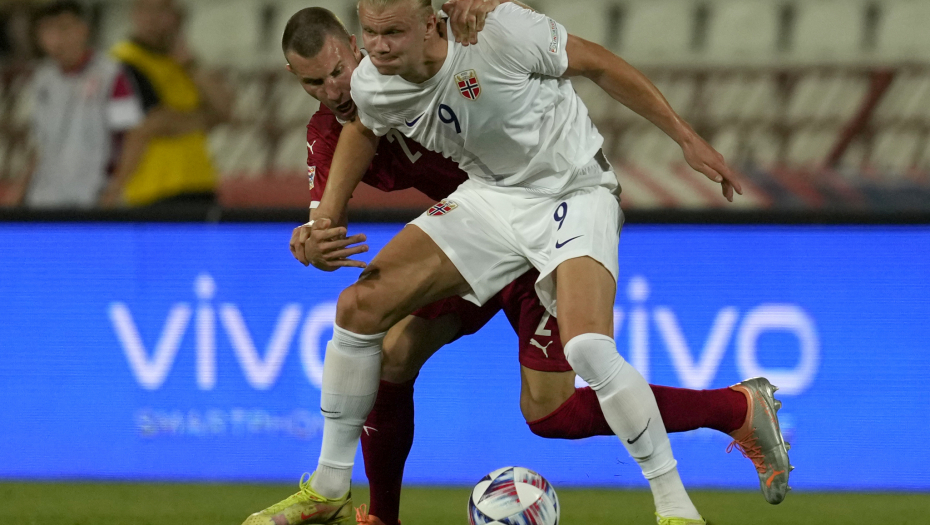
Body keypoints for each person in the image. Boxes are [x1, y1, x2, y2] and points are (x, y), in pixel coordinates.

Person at [243, 4, 791, 525]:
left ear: (360, 44)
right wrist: (319, 232)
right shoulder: (359, 102)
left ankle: (731, 414)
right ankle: (355, 502)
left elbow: (587, 58)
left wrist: (686, 138)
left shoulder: (483, 29)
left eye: (340, 69)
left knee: (554, 405)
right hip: (487, 213)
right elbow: (357, 140)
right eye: (313, 83)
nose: (334, 88)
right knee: (377, 331)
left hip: (563, 204)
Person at [12, 1, 144, 208]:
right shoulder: (41, 79)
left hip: (93, 199)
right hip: (45, 201)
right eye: (48, 29)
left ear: (83, 30)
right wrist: (21, 189)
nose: (57, 38)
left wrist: (115, 188)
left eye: (64, 28)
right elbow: (40, 145)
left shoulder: (110, 75)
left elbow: (133, 136)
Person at [104, 0, 233, 208]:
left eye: (162, 10)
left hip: (200, 182)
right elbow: (154, 121)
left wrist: (191, 65)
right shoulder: (123, 61)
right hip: (151, 189)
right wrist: (206, 118)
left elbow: (225, 109)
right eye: (145, 10)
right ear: (134, 14)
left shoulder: (183, 61)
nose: (153, 19)